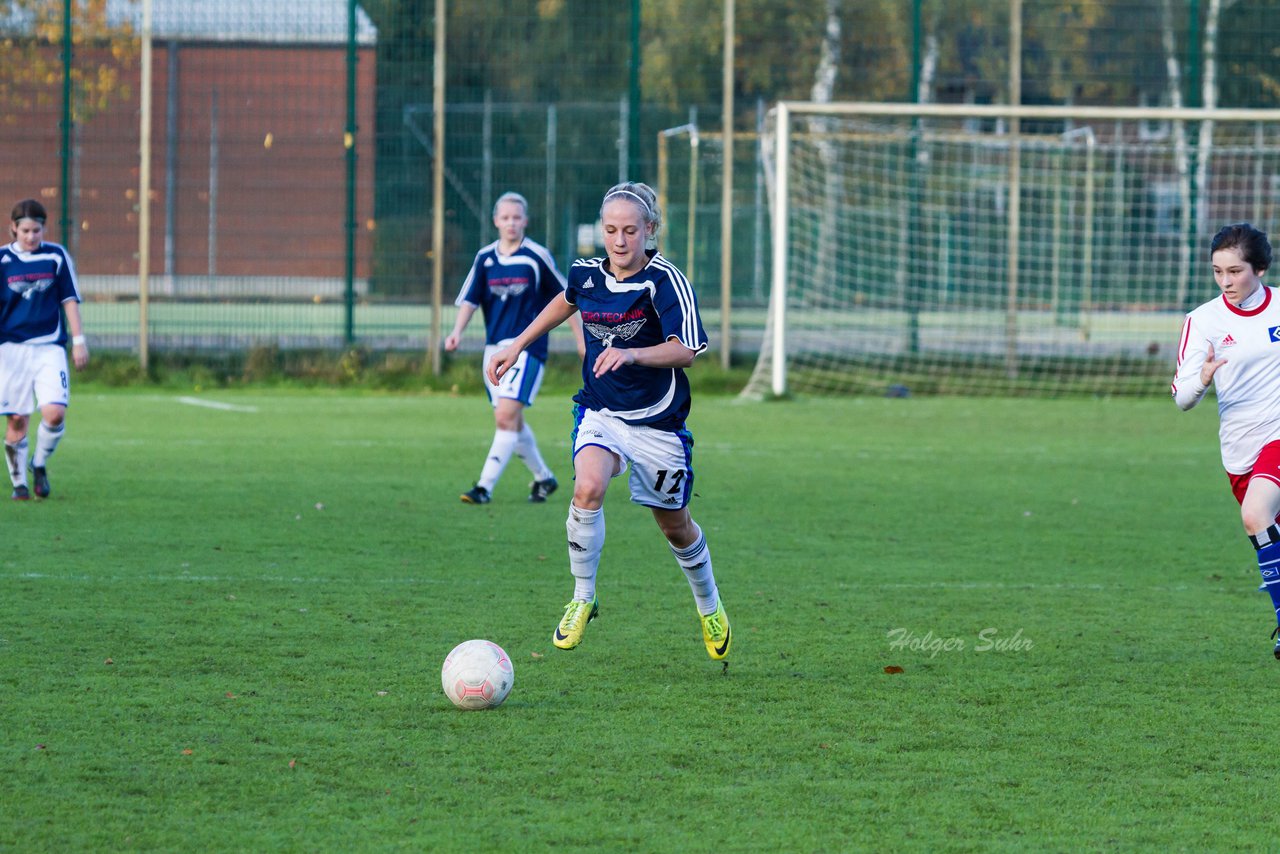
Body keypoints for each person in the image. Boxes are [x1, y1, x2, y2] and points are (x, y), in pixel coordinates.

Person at [487, 181, 731, 661]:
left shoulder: (664, 281)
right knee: (587, 489)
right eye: (611, 230)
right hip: (600, 412)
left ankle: (710, 605)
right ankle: (582, 597)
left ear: (650, 230)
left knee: (675, 526)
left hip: (658, 425)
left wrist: (631, 353)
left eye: (630, 231)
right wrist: (516, 343)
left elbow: (688, 350)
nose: (619, 241)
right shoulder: (586, 272)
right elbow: (568, 298)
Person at [1173, 222, 1280, 658]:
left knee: (1255, 516)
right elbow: (1181, 398)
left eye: (1235, 271)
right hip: (1240, 449)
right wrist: (1201, 378)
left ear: (1259, 268)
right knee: (1267, 529)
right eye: (1218, 272)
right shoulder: (1203, 321)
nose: (1226, 281)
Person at [445, 191, 584, 505]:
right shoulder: (485, 258)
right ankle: (544, 478)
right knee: (513, 422)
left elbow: (567, 298)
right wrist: (456, 332)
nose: (511, 223)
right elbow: (470, 299)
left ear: (526, 221)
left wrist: (580, 340)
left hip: (527, 349)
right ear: (496, 221)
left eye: (516, 217)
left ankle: (483, 487)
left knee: (506, 417)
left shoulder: (535, 256)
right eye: (505, 217)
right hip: (493, 350)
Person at [0, 198, 89, 500]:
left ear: (44, 228)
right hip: (11, 350)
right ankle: (19, 485)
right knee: (17, 419)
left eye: (36, 230)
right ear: (13, 228)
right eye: (25, 230)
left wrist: (78, 341)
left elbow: (69, 300)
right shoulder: (2, 261)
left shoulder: (56, 256)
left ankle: (38, 465)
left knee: (54, 413)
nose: (31, 236)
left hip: (49, 347)